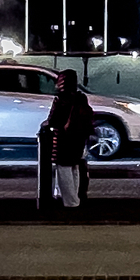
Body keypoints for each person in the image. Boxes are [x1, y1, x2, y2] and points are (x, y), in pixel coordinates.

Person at [45, 67, 95, 212]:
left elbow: (54, 120)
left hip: (65, 138)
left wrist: (48, 123)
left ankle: (70, 201)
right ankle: (76, 198)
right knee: (75, 166)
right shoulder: (81, 98)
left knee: (63, 167)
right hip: (79, 137)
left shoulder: (62, 99)